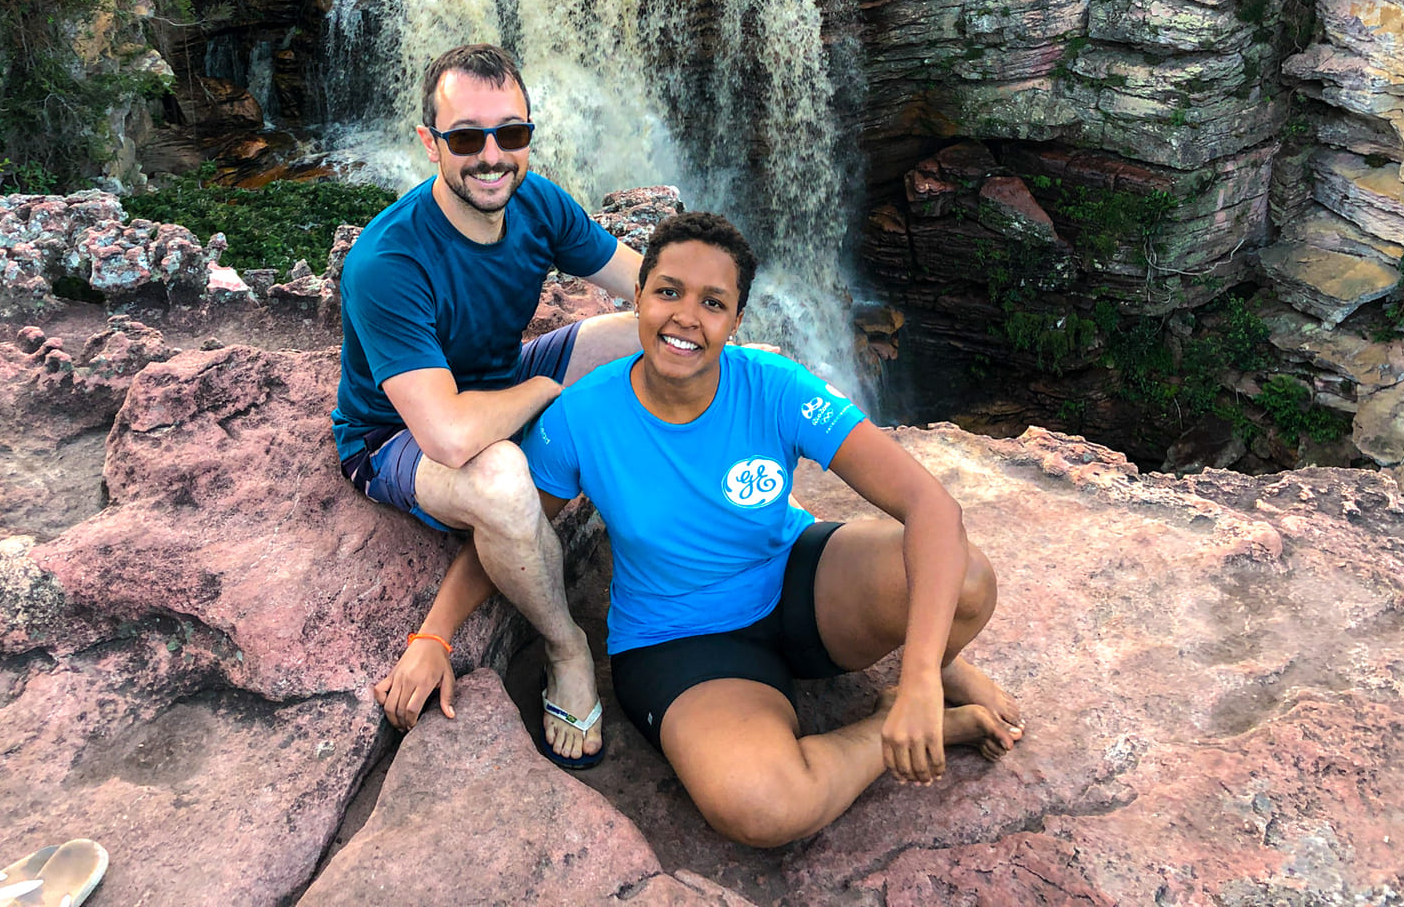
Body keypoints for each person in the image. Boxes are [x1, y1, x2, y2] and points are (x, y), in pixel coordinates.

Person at [415, 209, 1027, 845]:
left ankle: (928, 674)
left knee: (969, 579)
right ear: (640, 298)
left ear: (736, 321)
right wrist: (433, 635)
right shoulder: (582, 415)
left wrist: (923, 674)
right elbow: (508, 527)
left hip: (797, 584)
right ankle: (890, 724)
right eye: (668, 291)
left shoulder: (775, 387)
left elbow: (932, 508)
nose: (686, 317)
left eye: (713, 302)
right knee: (764, 808)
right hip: (679, 641)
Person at [334, 43, 642, 766]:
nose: (493, 156)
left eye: (512, 133)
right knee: (502, 478)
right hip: (393, 435)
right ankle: (566, 647)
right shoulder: (389, 261)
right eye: (467, 137)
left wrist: (703, 303)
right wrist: (547, 393)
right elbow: (445, 435)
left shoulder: (537, 201)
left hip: (497, 384)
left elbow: (642, 283)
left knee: (650, 337)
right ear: (429, 142)